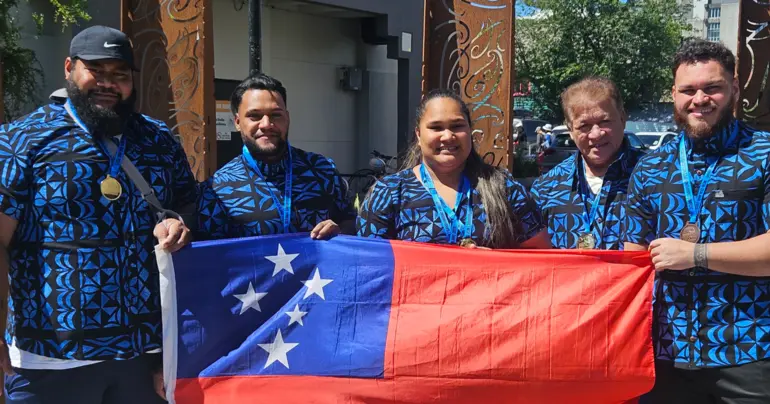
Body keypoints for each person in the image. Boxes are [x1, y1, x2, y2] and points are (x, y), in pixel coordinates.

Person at [0, 26, 197, 403]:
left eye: (120, 75)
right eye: (97, 71)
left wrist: (180, 223)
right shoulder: (21, 140)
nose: (109, 84)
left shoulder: (157, 140)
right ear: (69, 67)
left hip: (144, 358)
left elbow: (189, 204)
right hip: (50, 360)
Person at [625, 38, 770, 403]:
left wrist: (696, 255)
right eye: (688, 90)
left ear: (735, 88)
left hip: (749, 349)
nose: (699, 99)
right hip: (665, 353)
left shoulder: (764, 155)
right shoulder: (651, 168)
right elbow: (632, 263)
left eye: (713, 88)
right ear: (673, 94)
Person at [356, 89, 550, 249]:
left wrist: (495, 262)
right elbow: (368, 265)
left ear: (469, 131)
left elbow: (540, 259)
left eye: (457, 126)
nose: (448, 136)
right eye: (436, 127)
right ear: (418, 134)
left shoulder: (505, 188)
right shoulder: (389, 193)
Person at [197, 73, 355, 240]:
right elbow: (210, 256)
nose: (266, 124)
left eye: (275, 115)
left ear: (287, 118)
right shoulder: (218, 188)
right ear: (237, 122)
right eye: (254, 116)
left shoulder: (322, 170)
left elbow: (352, 223)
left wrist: (340, 232)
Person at [530, 77, 644, 250]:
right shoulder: (546, 188)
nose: (596, 134)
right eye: (584, 126)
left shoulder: (656, 177)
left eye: (605, 122)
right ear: (570, 130)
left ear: (622, 118)